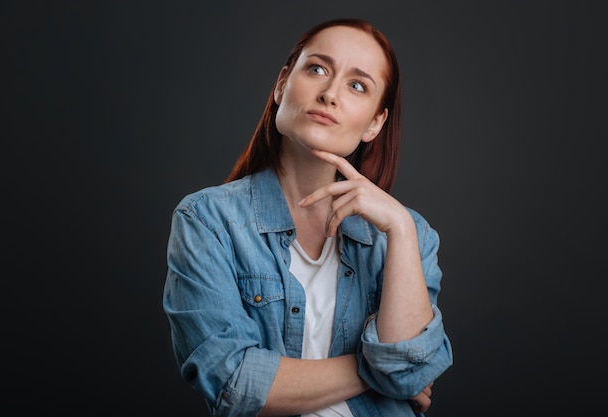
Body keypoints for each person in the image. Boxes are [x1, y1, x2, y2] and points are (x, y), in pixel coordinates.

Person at [163, 17, 453, 417]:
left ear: (375, 123)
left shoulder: (411, 234)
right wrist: (379, 369)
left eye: (357, 85)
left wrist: (400, 228)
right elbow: (233, 382)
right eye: (317, 69)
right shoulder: (207, 220)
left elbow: (411, 372)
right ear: (282, 85)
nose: (330, 94)